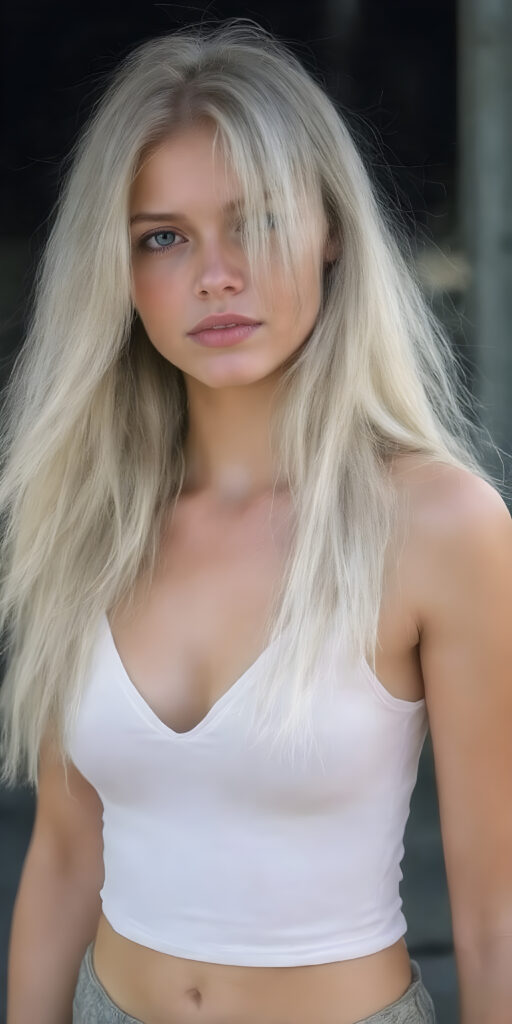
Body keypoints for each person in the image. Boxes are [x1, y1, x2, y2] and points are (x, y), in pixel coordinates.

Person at [2, 18, 512, 1024]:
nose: (215, 273)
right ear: (120, 275)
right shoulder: (89, 518)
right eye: (163, 236)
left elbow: (494, 908)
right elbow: (64, 851)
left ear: (331, 236)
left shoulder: (439, 524)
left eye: (259, 220)